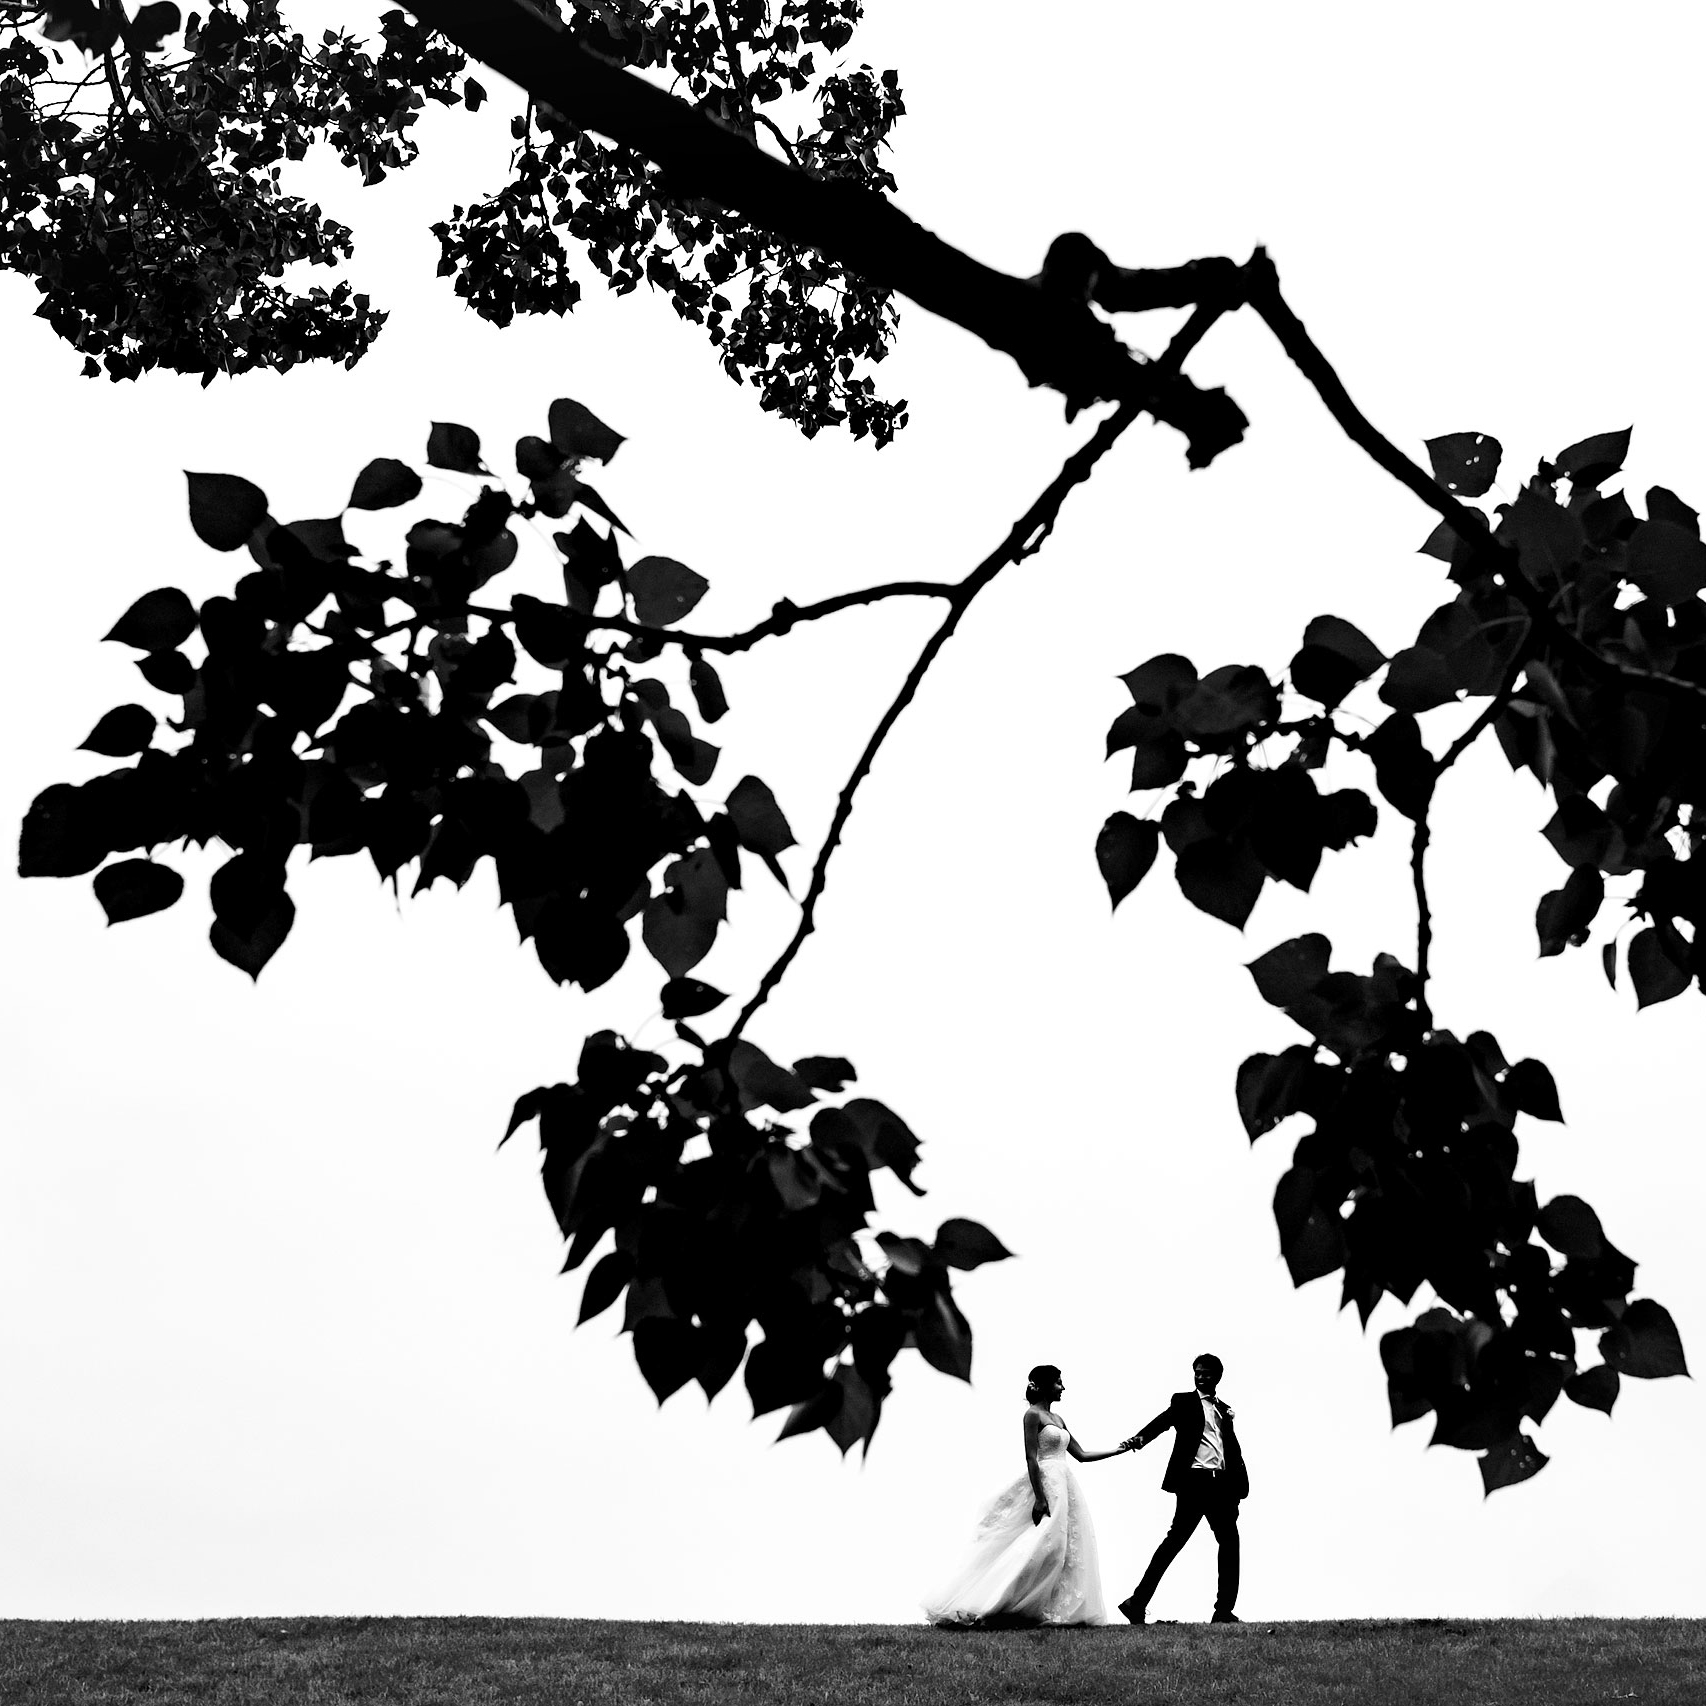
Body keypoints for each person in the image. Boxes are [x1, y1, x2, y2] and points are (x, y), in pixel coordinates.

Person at [922, 1364, 1130, 1627]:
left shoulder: (1059, 1420)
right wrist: (1040, 1497)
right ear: (1044, 1385)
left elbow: (1082, 1455)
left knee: (1063, 1547)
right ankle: (1002, 1602)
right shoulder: (1032, 1416)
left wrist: (1119, 1449)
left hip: (1065, 1483)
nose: (1063, 1388)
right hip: (1046, 1483)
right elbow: (1031, 1458)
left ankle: (1048, 1607)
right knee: (1046, 1543)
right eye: (1058, 1382)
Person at [1117, 1353, 1248, 1625]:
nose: (1201, 1378)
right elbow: (1162, 1422)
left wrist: (1236, 1486)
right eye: (1197, 1373)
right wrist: (1140, 1439)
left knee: (1230, 1543)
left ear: (1218, 1377)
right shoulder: (1183, 1401)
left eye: (1207, 1374)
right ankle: (1137, 1602)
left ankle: (1223, 1611)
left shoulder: (1224, 1409)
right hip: (1193, 1483)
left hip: (1221, 1486)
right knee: (1174, 1542)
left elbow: (1229, 1449)